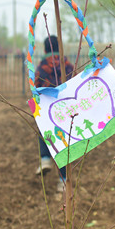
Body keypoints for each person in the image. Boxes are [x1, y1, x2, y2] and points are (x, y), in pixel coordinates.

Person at [34, 36, 74, 191]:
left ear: (45, 49)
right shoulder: (67, 65)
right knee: (62, 144)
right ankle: (63, 181)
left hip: (46, 108)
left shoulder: (42, 66)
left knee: (43, 132)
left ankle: (45, 159)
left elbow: (36, 85)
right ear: (60, 47)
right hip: (64, 108)